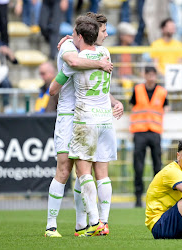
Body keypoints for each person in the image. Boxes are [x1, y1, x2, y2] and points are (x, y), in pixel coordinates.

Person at [45, 13, 123, 237]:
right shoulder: (73, 47)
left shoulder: (94, 50)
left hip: (86, 117)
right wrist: (98, 63)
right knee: (65, 168)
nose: (106, 35)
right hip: (70, 116)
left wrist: (115, 101)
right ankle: (52, 225)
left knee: (84, 170)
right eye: (103, 31)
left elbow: (95, 86)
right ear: (91, 32)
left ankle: (85, 224)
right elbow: (73, 61)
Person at [129, 66, 169, 207]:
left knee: (157, 166)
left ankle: (157, 196)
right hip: (139, 131)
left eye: (153, 75)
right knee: (138, 166)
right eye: (149, 74)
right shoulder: (137, 89)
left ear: (156, 76)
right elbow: (132, 107)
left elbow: (165, 107)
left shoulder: (162, 92)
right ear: (144, 75)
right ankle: (138, 198)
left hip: (155, 132)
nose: (151, 77)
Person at [0, 27, 18, 112]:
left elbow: (15, 61)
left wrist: (9, 53)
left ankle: (6, 105)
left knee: (6, 83)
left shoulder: (2, 46)